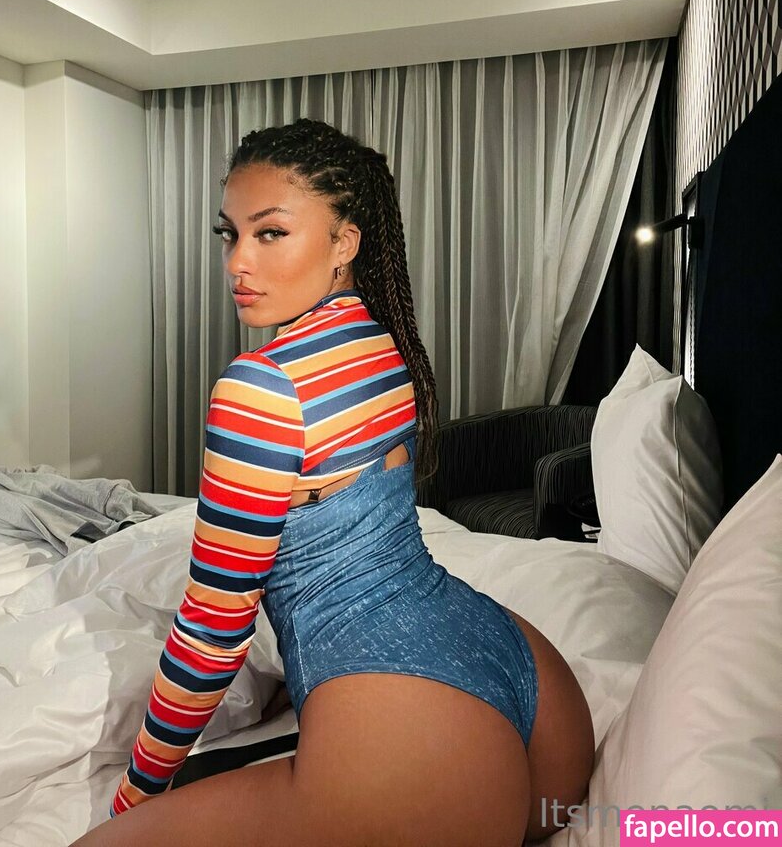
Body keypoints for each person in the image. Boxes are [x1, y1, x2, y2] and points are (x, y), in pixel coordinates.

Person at [74, 119, 593, 847]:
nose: (238, 262)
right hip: (532, 691)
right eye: (229, 234)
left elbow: (213, 630)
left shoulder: (259, 387)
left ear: (344, 242)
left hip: (417, 728)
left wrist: (138, 789)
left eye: (270, 233)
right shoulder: (383, 343)